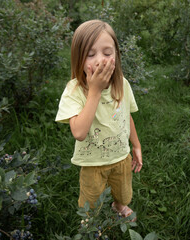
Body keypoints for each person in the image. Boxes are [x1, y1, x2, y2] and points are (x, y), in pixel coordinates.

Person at [55, 19, 142, 220]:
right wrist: (94, 90)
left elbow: (125, 115)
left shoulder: (122, 84)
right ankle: (90, 222)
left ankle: (119, 206)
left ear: (116, 56)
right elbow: (79, 132)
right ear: (78, 59)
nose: (100, 60)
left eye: (107, 53)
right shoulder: (74, 91)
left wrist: (136, 145)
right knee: (90, 201)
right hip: (93, 162)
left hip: (121, 156)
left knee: (124, 192)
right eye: (90, 54)